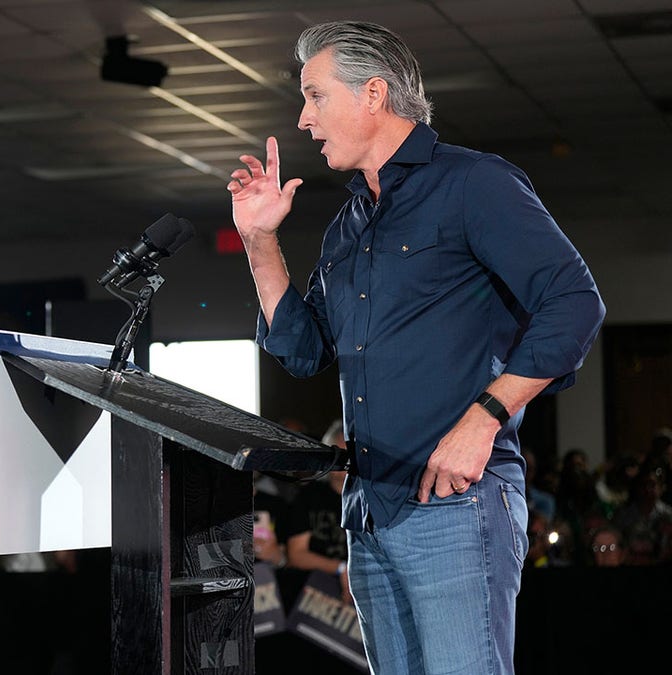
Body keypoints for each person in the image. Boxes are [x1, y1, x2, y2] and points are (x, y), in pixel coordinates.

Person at [228, 20, 606, 674]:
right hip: (371, 512)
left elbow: (574, 302)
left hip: (457, 506)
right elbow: (303, 348)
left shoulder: (473, 184)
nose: (303, 118)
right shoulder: (349, 224)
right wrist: (260, 242)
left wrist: (485, 416)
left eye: (316, 96)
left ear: (373, 93)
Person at [280, 421, 350, 602]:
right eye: (339, 456)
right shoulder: (309, 496)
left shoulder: (369, 498)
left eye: (350, 456)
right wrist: (342, 568)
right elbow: (296, 554)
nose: (345, 465)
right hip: (312, 594)